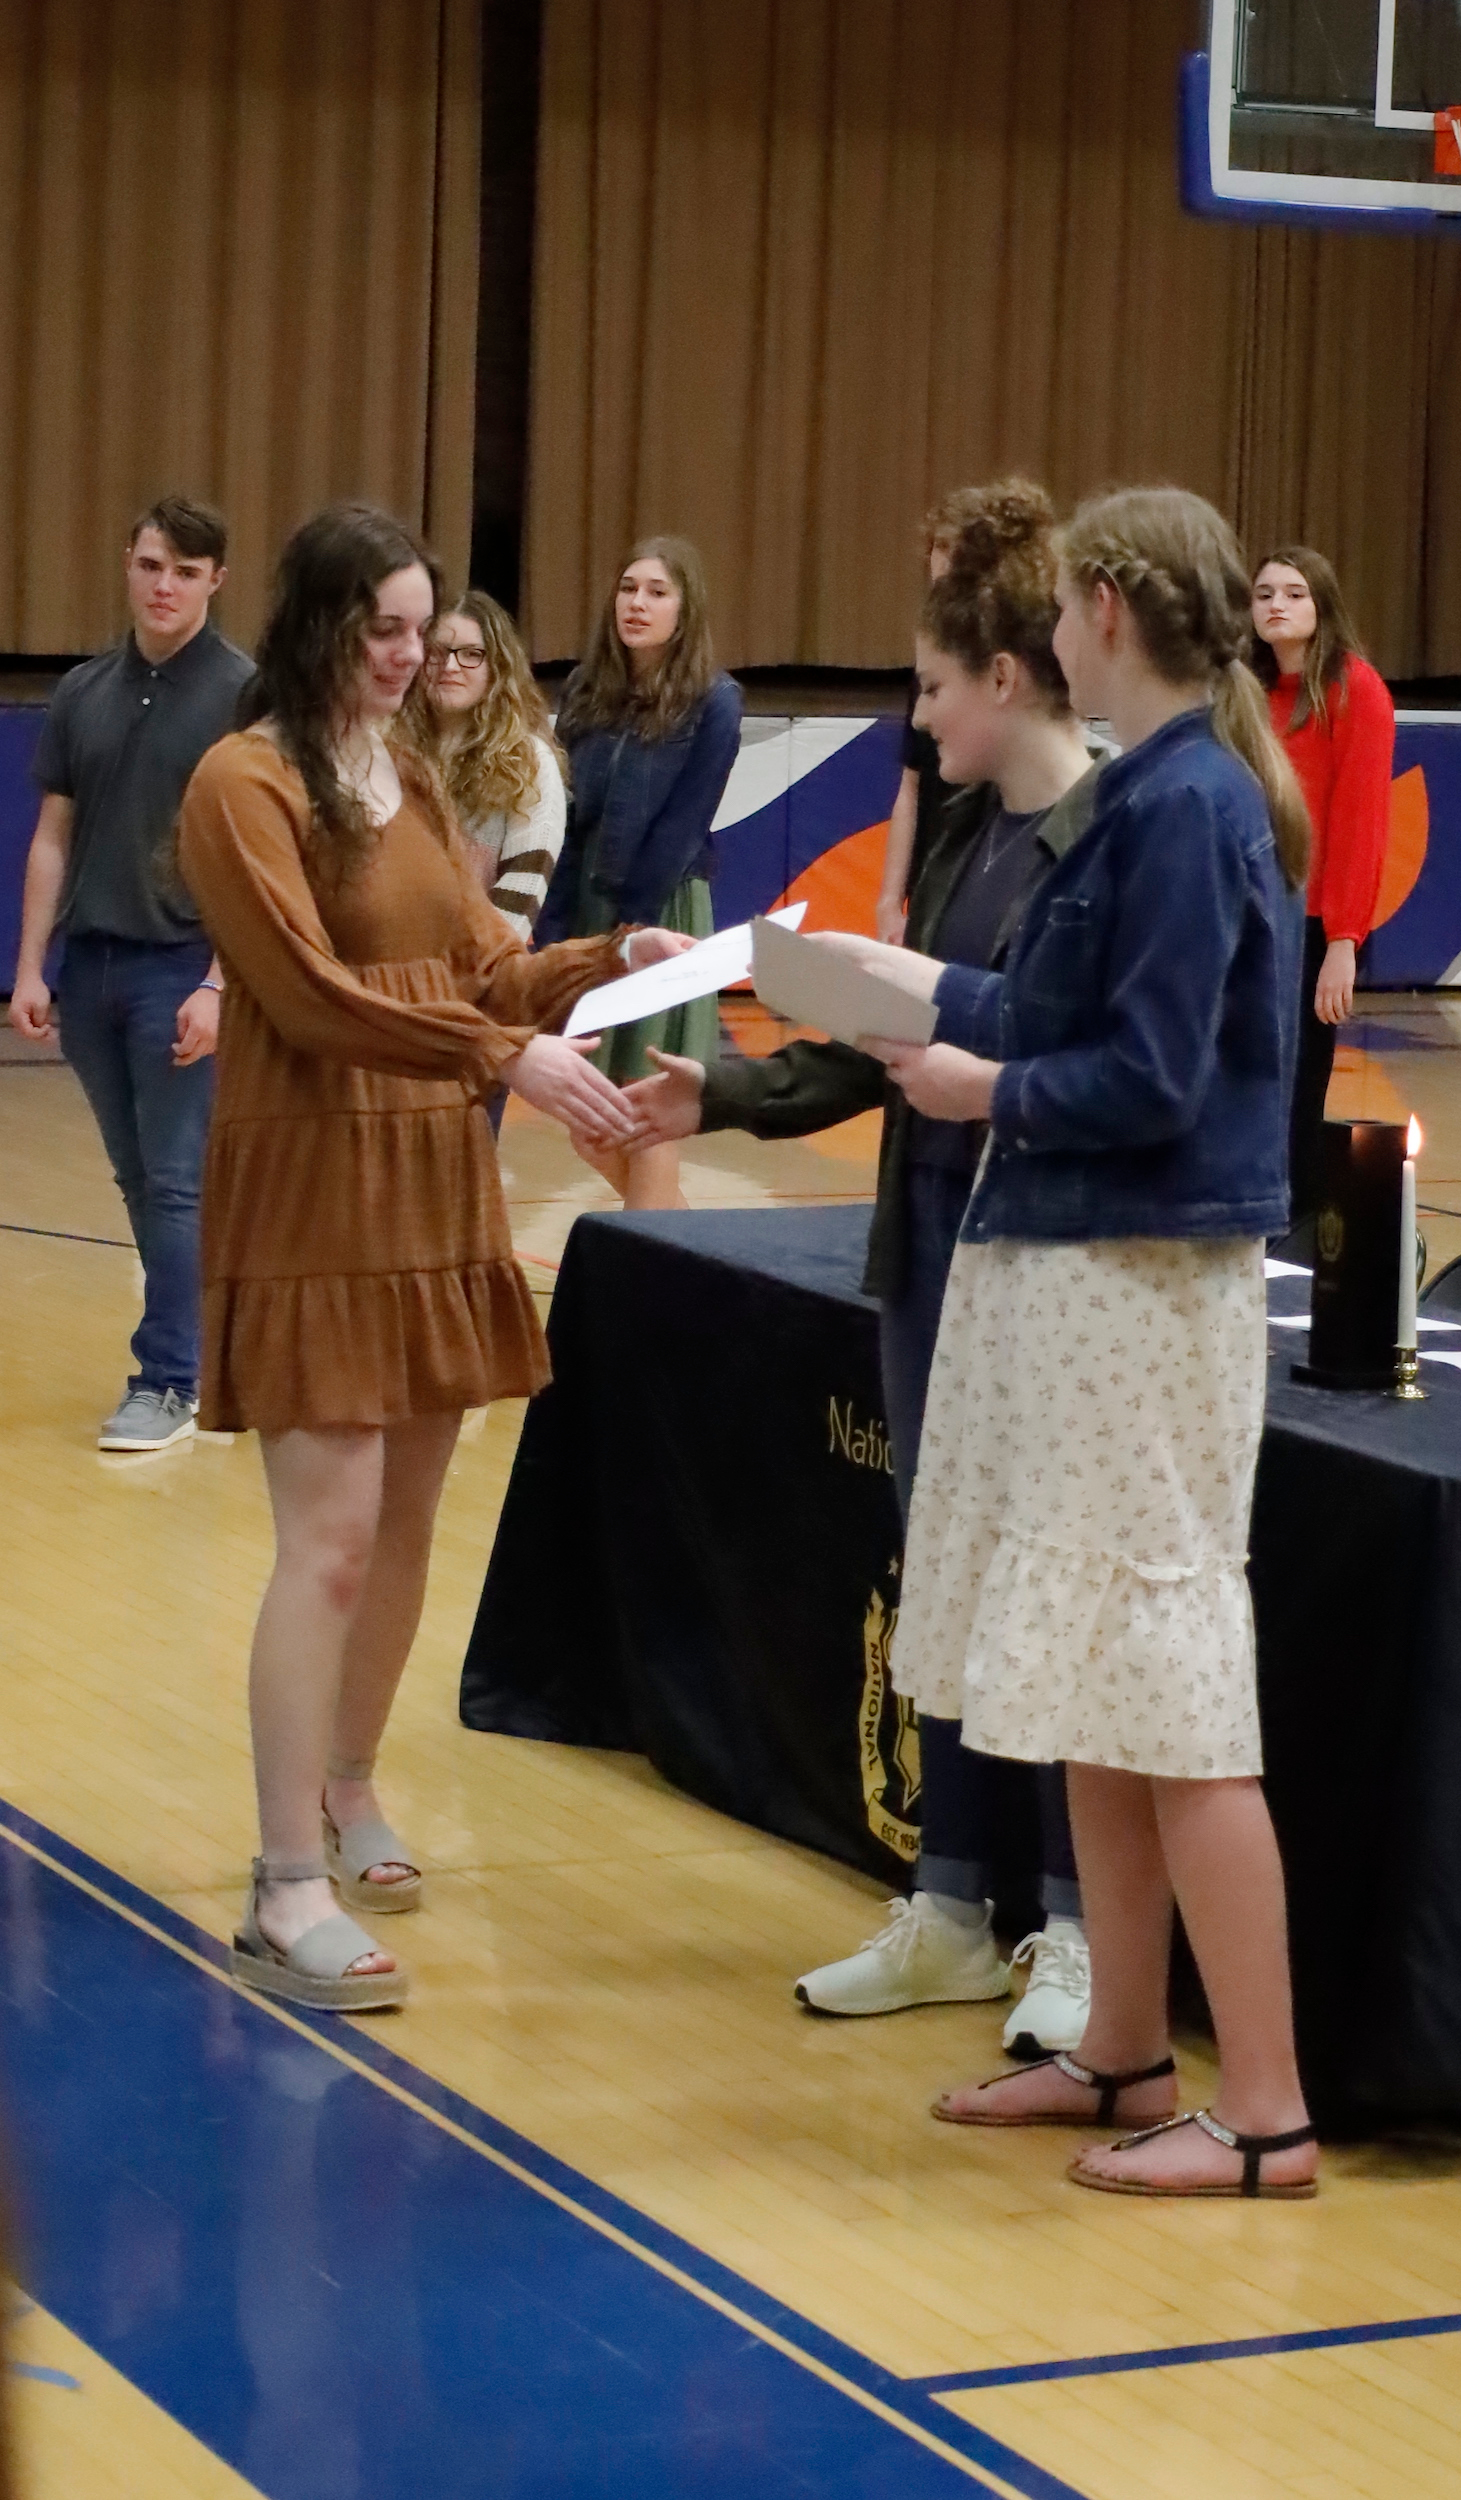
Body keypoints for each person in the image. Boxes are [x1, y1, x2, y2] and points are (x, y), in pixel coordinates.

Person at [822, 486, 1318, 2198]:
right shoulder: (1144, 793)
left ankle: (1265, 2113)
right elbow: (1045, 1007)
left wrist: (989, 1092)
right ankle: (1121, 2046)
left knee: (1174, 1697)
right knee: (1103, 1685)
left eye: (1056, 612)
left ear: (1103, 609)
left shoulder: (1185, 805)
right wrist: (878, 989)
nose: (1039, 635)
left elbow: (1151, 1074)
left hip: (1141, 1288)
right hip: (1077, 1279)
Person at [176, 502, 686, 2014]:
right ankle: (281, 1883)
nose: (407, 655)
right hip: (314, 1186)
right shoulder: (241, 782)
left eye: (420, 628)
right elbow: (311, 995)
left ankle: (349, 1782)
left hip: (426, 1180)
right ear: (317, 624)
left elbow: (481, 963)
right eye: (381, 628)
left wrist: (607, 959)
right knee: (327, 1541)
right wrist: (501, 1055)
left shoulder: (401, 772)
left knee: (403, 1525)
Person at [628, 482, 1103, 2055]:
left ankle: (1075, 1924)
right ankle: (952, 1901)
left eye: (927, 685)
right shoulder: (965, 821)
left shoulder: (1108, 834)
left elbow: (1054, 1046)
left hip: (1043, 1264)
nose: (914, 717)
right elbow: (892, 1023)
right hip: (926, 1251)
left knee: (1045, 1592)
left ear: (1004, 675)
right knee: (941, 1578)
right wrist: (722, 1071)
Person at [8, 496, 253, 1451]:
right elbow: (52, 837)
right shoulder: (84, 691)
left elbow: (258, 857)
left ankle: (169, 1379)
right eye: (152, 566)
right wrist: (32, 966)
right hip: (92, 966)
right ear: (128, 563)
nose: (164, 586)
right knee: (138, 1180)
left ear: (215, 581)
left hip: (183, 967)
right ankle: (213, 1353)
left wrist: (221, 983)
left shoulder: (244, 694)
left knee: (176, 1180)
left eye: (186, 572)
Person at [535, 535, 743, 1210]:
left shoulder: (715, 701)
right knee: (590, 1123)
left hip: (663, 910)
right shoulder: (585, 689)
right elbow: (565, 814)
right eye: (628, 588)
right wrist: (557, 934)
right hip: (588, 909)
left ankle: (658, 1260)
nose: (637, 603)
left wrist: (635, 926)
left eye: (656, 592)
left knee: (645, 1112)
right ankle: (681, 1250)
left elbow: (685, 823)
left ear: (685, 608)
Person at [1250, 545, 1394, 1221]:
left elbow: (1361, 822)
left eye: (1293, 593)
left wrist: (1342, 940)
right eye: (1264, 595)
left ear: (1321, 605)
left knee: (1295, 1090)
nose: (1276, 605)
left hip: (1310, 925)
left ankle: (1292, 1229)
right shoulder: (1241, 691)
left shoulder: (1354, 689)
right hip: (1244, 912)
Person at [427, 589, 566, 945]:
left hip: (480, 965)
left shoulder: (529, 761)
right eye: (438, 652)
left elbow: (521, 895)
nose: (450, 666)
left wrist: (470, 966)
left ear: (498, 667)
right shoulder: (389, 748)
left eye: (471, 654)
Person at [874, 500, 961, 944]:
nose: (944, 562)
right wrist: (890, 900)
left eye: (957, 549)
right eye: (939, 548)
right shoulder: (928, 659)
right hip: (930, 878)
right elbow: (910, 787)